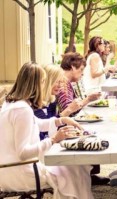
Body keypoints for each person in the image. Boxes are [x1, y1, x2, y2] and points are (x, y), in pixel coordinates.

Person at [0, 62, 94, 198]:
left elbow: (35, 124)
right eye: (43, 81)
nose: (44, 86)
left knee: (75, 166)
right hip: (23, 173)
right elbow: (23, 153)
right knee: (75, 168)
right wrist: (54, 139)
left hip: (7, 172)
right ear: (36, 84)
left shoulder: (11, 104)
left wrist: (60, 120)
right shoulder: (22, 109)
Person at [57, 52, 101, 117]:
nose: (82, 73)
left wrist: (88, 99)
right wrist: (88, 99)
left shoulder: (66, 82)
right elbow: (69, 111)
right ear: (73, 67)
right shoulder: (63, 84)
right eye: (81, 69)